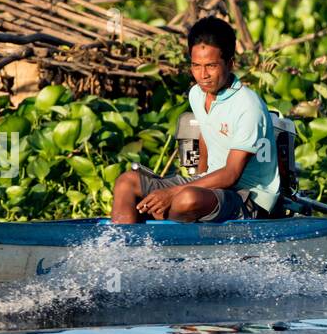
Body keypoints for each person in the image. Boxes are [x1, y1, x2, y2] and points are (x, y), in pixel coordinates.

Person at [111, 15, 280, 223]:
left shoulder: (248, 106)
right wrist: (196, 178)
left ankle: (163, 235)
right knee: (126, 182)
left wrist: (173, 193)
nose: (203, 75)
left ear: (230, 63)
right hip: (210, 187)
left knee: (186, 199)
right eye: (196, 66)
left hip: (246, 196)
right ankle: (124, 250)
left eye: (211, 66)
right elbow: (207, 134)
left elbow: (231, 174)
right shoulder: (196, 94)